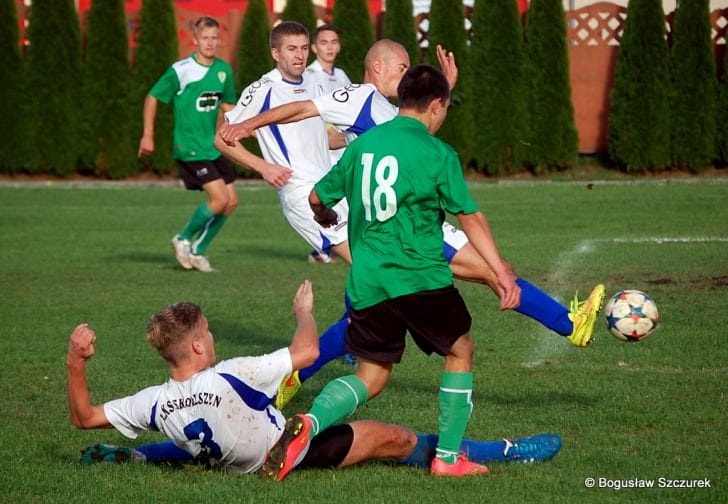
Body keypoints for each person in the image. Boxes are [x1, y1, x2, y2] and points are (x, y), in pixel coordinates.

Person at [217, 39, 605, 409]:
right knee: (490, 271)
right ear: (377, 68)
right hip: (400, 228)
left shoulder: (395, 109)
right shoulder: (358, 96)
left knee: (369, 306)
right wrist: (250, 124)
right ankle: (571, 324)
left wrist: (443, 89)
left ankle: (296, 376)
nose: (405, 76)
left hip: (405, 221)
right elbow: (302, 108)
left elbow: (415, 133)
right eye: (401, 68)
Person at [262, 65, 520, 480]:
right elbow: (469, 217)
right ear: (436, 105)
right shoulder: (437, 153)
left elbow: (316, 197)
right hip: (419, 278)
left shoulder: (363, 146)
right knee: (460, 350)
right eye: (445, 108)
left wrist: (324, 213)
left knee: (371, 375)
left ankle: (308, 423)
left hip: (368, 280)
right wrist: (500, 272)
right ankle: (448, 458)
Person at [67, 281, 562, 475]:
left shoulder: (154, 402)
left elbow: (85, 417)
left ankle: (138, 452)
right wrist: (304, 311)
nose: (212, 338)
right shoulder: (230, 375)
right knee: (395, 438)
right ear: (197, 345)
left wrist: (76, 362)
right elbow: (306, 352)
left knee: (211, 438)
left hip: (230, 454)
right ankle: (507, 449)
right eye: (208, 333)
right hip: (277, 454)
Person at [138, 16, 238, 273]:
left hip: (213, 147)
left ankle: (198, 251)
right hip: (189, 147)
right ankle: (182, 238)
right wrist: (147, 135)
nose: (210, 42)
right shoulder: (181, 70)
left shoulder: (224, 70)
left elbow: (228, 106)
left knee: (232, 201)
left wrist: (252, 124)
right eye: (205, 38)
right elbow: (152, 96)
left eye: (214, 38)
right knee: (218, 199)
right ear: (195, 40)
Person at [305, 23, 351, 263]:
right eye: (324, 42)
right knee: (327, 200)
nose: (329, 47)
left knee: (345, 201)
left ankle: (326, 248)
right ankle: (320, 249)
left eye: (333, 42)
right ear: (314, 47)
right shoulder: (310, 76)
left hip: (342, 148)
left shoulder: (341, 75)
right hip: (323, 149)